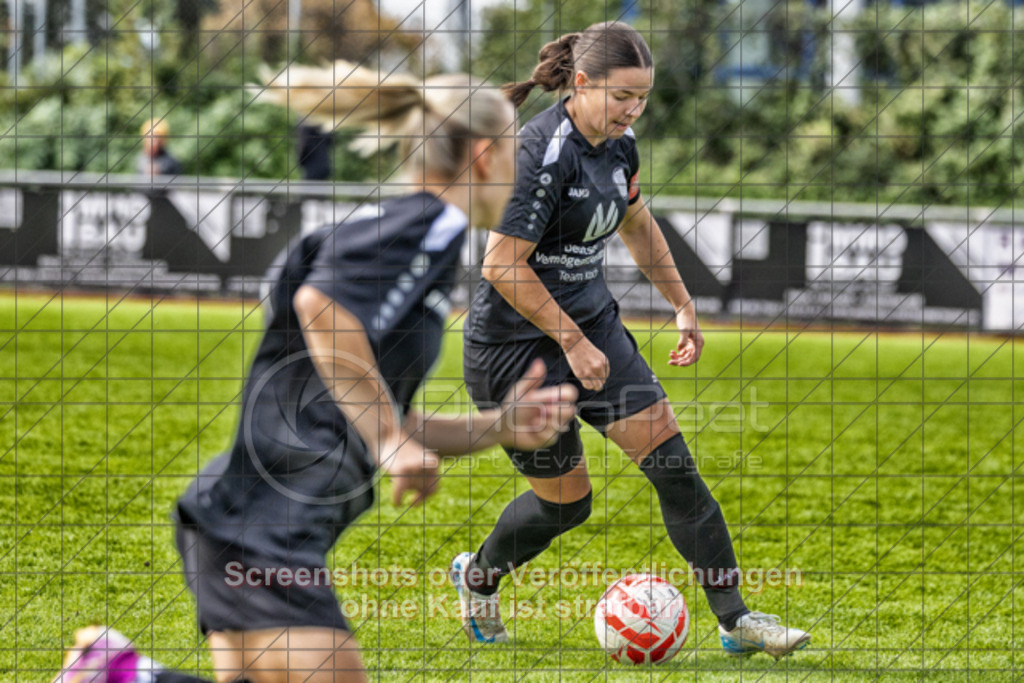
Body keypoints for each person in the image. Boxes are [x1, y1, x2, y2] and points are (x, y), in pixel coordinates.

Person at [53, 62, 578, 683]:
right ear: (486, 156)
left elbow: (370, 403)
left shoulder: (422, 235)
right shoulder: (428, 225)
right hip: (262, 524)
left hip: (248, 518)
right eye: (519, 152)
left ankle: (117, 675)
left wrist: (499, 427)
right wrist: (389, 442)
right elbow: (319, 308)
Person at [451, 21, 811, 660]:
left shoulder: (621, 146)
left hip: (592, 328)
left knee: (674, 467)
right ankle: (478, 575)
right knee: (567, 506)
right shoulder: (537, 152)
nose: (634, 109)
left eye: (642, 97)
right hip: (515, 352)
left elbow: (637, 224)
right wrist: (570, 342)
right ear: (582, 84)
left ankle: (735, 619)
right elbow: (501, 265)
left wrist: (682, 304)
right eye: (622, 97)